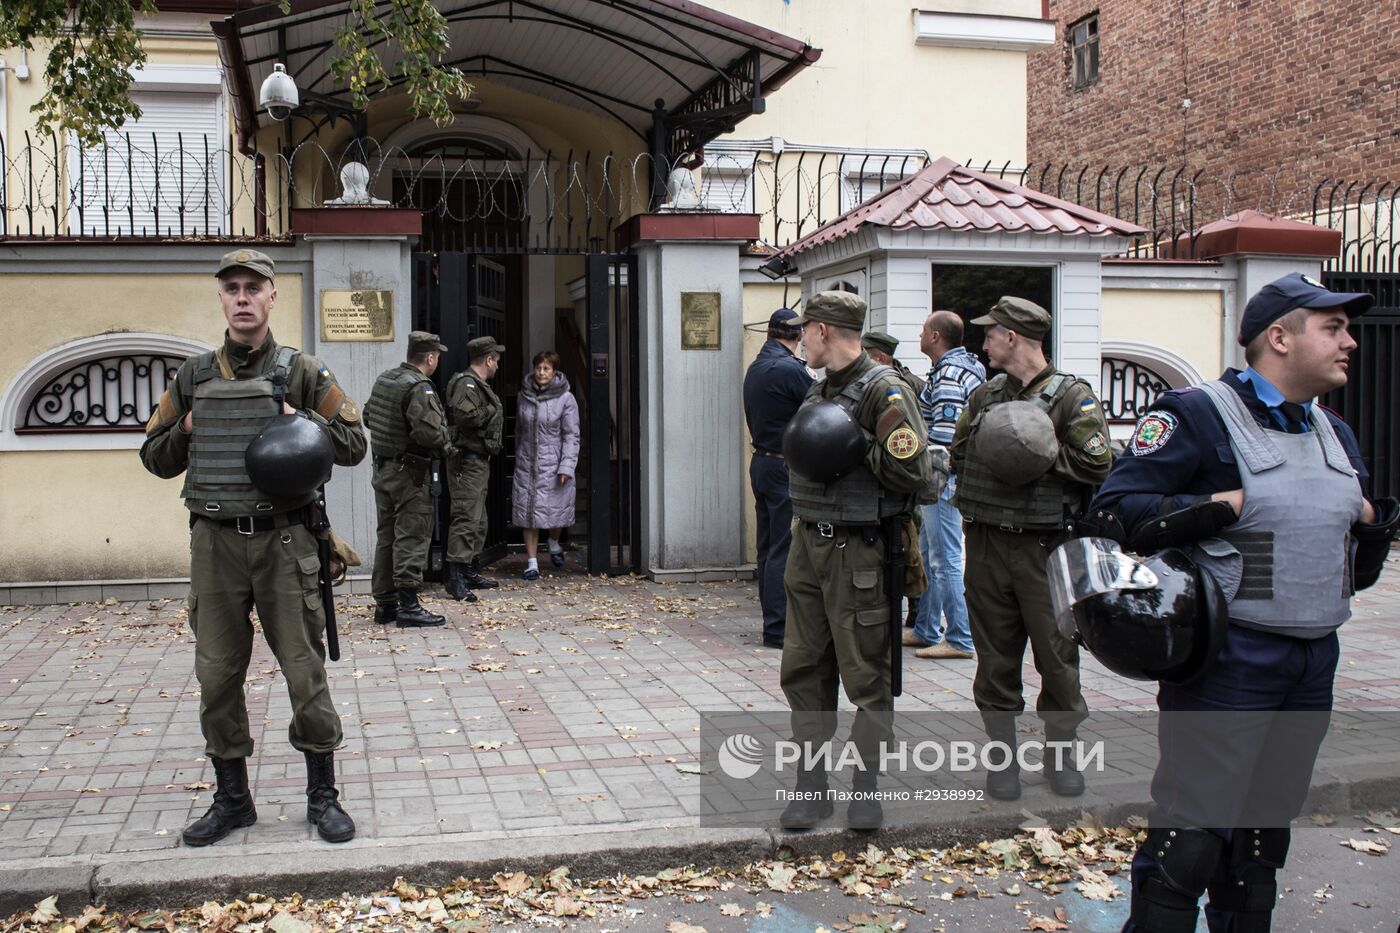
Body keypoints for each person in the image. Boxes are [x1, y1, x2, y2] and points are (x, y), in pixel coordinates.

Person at [1081, 272, 1399, 933]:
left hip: (1314, 657)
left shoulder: (1333, 431)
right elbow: (1112, 511)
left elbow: (1350, 564)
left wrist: (1369, 519)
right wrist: (1222, 505)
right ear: (1278, 337)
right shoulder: (1196, 414)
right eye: (1332, 327)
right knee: (1192, 833)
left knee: (1260, 839)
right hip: (1231, 658)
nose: (1350, 343)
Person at [139, 248, 366, 846]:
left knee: (304, 672)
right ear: (221, 298)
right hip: (214, 544)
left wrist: (305, 424)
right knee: (216, 676)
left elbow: (354, 443)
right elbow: (153, 456)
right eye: (231, 288)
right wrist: (187, 428)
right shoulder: (192, 377)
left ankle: (323, 797)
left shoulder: (302, 372)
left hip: (285, 542)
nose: (242, 298)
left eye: (253, 288)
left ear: (272, 297)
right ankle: (233, 800)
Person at [778, 291, 933, 832]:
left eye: (804, 333)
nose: (800, 343)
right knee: (804, 668)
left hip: (860, 550)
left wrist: (856, 443)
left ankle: (866, 788)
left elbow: (918, 478)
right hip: (809, 546)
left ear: (823, 331)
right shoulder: (823, 389)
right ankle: (812, 785)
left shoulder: (883, 391)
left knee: (865, 674)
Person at [951, 296, 1112, 800]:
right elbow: (960, 453)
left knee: (1058, 659)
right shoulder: (985, 395)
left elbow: (1096, 463)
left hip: (1046, 550)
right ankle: (1003, 762)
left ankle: (1061, 756)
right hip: (986, 543)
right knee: (995, 660)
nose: (985, 341)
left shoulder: (1072, 397)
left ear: (1013, 338)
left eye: (991, 333)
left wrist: (1033, 456)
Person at [908, 310, 984, 660]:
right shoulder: (958, 369)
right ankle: (926, 629)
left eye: (924, 330)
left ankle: (959, 638)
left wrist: (925, 475)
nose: (920, 335)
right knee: (930, 554)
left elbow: (944, 438)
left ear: (936, 336)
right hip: (944, 479)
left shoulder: (950, 375)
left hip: (941, 479)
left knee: (945, 558)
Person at [365, 331, 454, 626]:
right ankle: (408, 605)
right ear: (429, 358)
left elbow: (367, 417)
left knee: (386, 536)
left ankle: (385, 605)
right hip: (411, 474)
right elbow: (428, 433)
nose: (437, 361)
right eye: (436, 357)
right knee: (411, 535)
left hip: (383, 469)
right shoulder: (419, 387)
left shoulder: (386, 380)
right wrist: (446, 442)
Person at [743, 308, 814, 649]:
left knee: (768, 548)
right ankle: (778, 627)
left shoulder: (756, 367)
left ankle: (772, 621)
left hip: (762, 462)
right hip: (784, 466)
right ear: (797, 336)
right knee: (782, 549)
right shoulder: (790, 370)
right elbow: (821, 409)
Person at [443, 336, 506, 597]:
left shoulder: (477, 384)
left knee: (478, 520)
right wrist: (491, 411)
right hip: (467, 461)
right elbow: (465, 416)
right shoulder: (467, 384)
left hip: (477, 461)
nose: (498, 367)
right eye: (497, 361)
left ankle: (468, 571)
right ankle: (455, 578)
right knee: (466, 519)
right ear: (488, 359)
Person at [512, 350, 580, 580]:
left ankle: (553, 542)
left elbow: (571, 436)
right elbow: (519, 430)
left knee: (554, 513)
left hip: (554, 466)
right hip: (527, 464)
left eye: (546, 368)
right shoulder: (523, 395)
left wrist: (566, 467)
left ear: (554, 371)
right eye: (538, 368)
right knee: (528, 513)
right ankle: (532, 563)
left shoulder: (566, 398)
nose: (541, 372)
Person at [860, 331, 925, 395]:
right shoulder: (860, 378)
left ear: (881, 358)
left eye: (865, 355)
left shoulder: (914, 384)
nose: (861, 359)